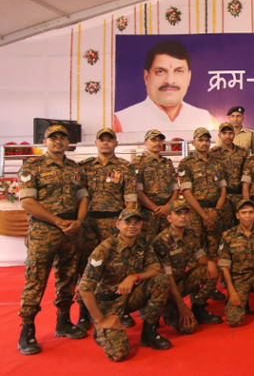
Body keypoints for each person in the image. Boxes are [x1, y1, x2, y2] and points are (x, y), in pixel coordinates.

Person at [16, 124, 89, 355]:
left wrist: (78, 221)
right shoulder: (32, 166)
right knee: (36, 280)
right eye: (53, 138)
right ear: (45, 141)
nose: (58, 142)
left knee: (68, 277)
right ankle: (27, 331)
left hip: (71, 230)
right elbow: (27, 202)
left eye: (62, 138)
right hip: (44, 231)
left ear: (68, 142)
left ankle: (64, 320)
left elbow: (83, 197)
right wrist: (57, 221)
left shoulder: (74, 168)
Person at [78, 208, 172, 361]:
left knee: (161, 281)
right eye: (127, 222)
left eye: (136, 222)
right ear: (118, 224)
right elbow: (84, 288)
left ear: (141, 225)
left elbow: (155, 268)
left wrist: (133, 276)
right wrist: (101, 319)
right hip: (108, 303)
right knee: (119, 353)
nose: (132, 226)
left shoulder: (143, 242)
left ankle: (149, 332)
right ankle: (101, 329)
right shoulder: (105, 249)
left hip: (130, 296)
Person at [77, 127, 137, 329]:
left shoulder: (124, 167)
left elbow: (130, 200)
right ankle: (84, 312)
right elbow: (77, 198)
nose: (105, 143)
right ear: (95, 143)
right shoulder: (83, 168)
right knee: (85, 268)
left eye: (109, 140)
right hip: (88, 224)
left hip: (113, 223)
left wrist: (125, 225)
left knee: (116, 267)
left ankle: (119, 309)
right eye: (101, 140)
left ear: (116, 144)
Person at [113, 40, 217, 133]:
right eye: (160, 71)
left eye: (179, 71)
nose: (170, 80)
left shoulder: (207, 120)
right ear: (147, 77)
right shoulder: (121, 122)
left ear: (189, 77)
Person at [150, 199, 222, 335]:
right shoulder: (162, 240)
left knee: (212, 269)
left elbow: (200, 257)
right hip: (164, 289)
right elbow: (167, 276)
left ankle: (198, 308)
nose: (183, 217)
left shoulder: (190, 235)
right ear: (169, 217)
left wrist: (210, 262)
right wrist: (182, 305)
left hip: (180, 282)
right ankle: (162, 315)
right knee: (188, 328)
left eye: (185, 213)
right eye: (178, 213)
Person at [178, 127, 227, 268]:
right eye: (200, 140)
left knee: (214, 247)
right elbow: (187, 192)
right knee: (196, 248)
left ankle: (211, 284)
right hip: (195, 212)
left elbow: (223, 189)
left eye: (207, 140)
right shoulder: (186, 163)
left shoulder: (218, 163)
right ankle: (196, 281)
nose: (204, 143)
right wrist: (204, 216)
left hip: (214, 210)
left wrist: (216, 211)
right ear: (193, 142)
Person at [132, 129, 178, 242]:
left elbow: (175, 188)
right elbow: (137, 190)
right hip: (148, 213)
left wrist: (168, 206)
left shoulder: (167, 163)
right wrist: (155, 208)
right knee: (147, 244)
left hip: (167, 212)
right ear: (146, 143)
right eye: (153, 140)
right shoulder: (138, 162)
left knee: (168, 244)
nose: (157, 143)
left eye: (160, 140)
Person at [209, 122, 248, 227]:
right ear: (219, 135)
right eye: (224, 133)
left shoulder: (242, 152)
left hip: (239, 195)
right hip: (222, 197)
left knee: (241, 227)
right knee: (224, 228)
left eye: (230, 133)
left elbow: (247, 175)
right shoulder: (213, 153)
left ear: (234, 134)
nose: (228, 136)